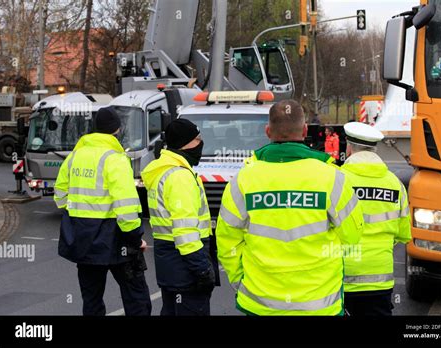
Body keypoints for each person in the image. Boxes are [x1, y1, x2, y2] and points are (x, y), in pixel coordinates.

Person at [215, 100, 364, 316]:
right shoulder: (332, 178)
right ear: (305, 130)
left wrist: (241, 280)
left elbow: (226, 240)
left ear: (268, 131)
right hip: (318, 304)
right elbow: (352, 236)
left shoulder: (242, 180)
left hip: (260, 303)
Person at [54, 107, 151, 316]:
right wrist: (136, 240)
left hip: (83, 239)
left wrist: (78, 213)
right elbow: (126, 207)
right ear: (118, 129)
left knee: (91, 300)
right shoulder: (115, 158)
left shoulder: (75, 155)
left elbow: (60, 195)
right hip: (116, 240)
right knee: (137, 299)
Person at [141, 119, 216, 316]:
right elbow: (185, 231)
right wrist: (201, 267)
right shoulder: (180, 176)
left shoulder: (164, 171)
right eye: (197, 139)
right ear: (184, 143)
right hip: (185, 264)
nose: (200, 143)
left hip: (170, 261)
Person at [341, 122, 411, 316]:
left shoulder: (336, 179)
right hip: (380, 279)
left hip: (342, 277)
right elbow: (403, 234)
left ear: (349, 148)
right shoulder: (395, 183)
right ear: (375, 150)